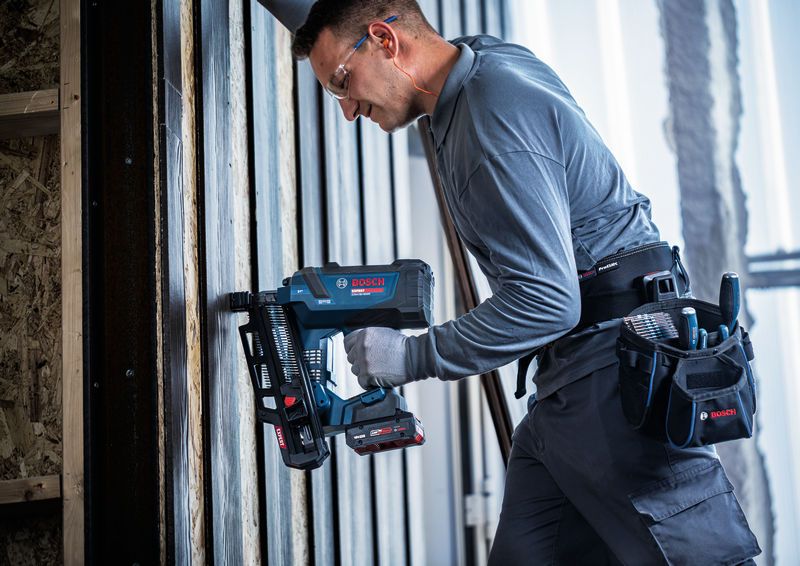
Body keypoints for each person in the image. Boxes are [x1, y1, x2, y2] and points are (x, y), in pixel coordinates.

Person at [262, 1, 762, 563]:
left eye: (342, 82)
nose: (348, 109)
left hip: (616, 380)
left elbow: (548, 301)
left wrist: (411, 356)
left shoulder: (490, 114)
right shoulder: (477, 70)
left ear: (385, 40)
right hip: (570, 385)